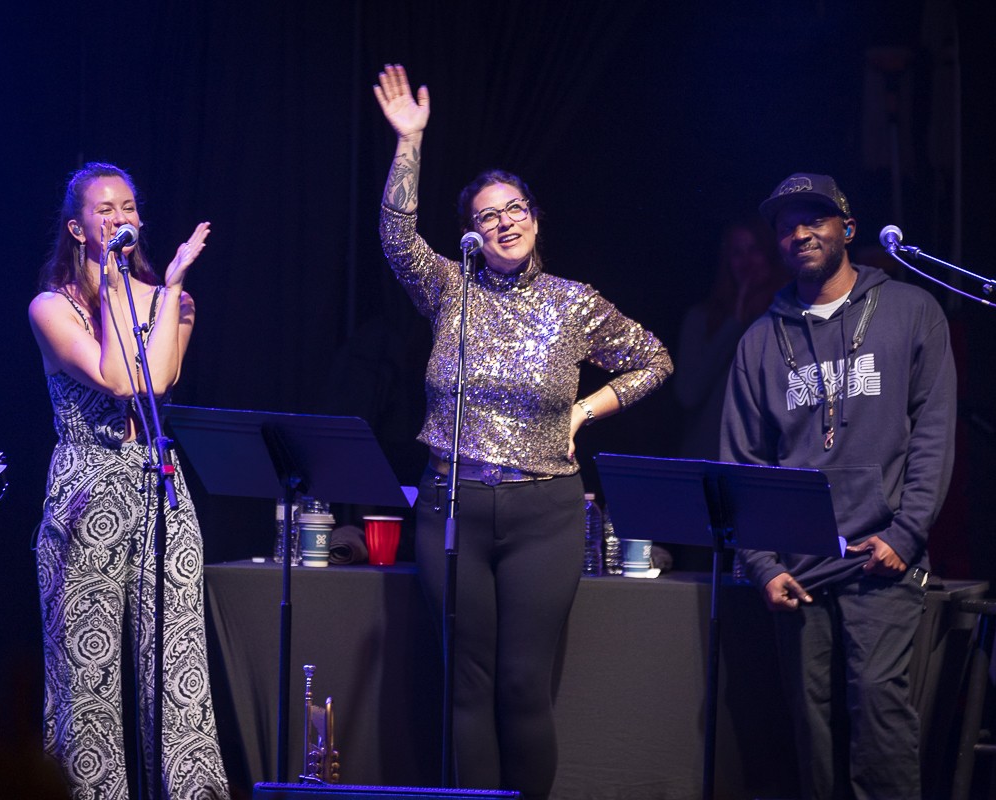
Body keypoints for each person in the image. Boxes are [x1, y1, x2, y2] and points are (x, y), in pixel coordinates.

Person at [372, 64, 672, 800]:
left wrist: (582, 410)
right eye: (485, 215)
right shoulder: (451, 288)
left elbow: (654, 359)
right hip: (451, 504)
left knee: (520, 683)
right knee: (465, 684)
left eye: (514, 209)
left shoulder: (574, 304)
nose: (502, 222)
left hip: (543, 510)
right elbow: (394, 236)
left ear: (535, 216)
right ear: (471, 232)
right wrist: (409, 142)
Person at [720, 173, 956, 800]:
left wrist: (905, 534)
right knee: (809, 730)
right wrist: (763, 564)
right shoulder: (759, 341)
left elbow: (932, 433)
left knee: (880, 715)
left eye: (815, 219)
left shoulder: (910, 311)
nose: (800, 233)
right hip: (798, 570)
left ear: (846, 229)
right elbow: (743, 461)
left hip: (881, 560)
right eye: (786, 224)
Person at [28, 162, 230, 800]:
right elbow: (116, 377)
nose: (120, 217)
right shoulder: (50, 308)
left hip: (159, 487)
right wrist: (118, 284)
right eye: (104, 209)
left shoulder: (176, 300)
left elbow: (156, 380)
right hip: (88, 490)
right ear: (77, 226)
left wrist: (166, 289)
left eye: (129, 206)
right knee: (84, 679)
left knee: (179, 670)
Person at [674, 216, 787, 460]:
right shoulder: (702, 318)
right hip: (710, 456)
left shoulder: (787, 317)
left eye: (754, 250)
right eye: (737, 252)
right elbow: (688, 393)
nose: (747, 261)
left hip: (769, 458)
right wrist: (734, 323)